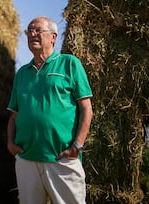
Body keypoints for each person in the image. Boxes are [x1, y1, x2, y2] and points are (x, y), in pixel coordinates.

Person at [7, 16, 93, 204]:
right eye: (29, 30)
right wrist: (10, 144)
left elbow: (86, 108)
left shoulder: (69, 64)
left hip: (62, 159)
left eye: (38, 30)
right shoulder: (22, 73)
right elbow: (14, 115)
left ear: (53, 37)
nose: (32, 34)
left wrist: (77, 146)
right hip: (27, 160)